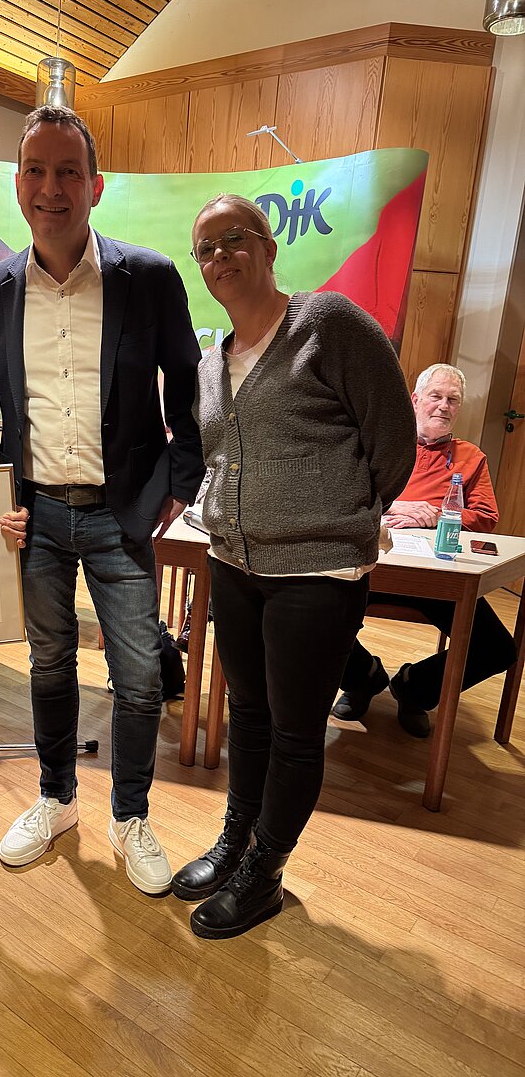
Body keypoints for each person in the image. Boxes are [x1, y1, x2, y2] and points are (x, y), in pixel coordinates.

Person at [0, 105, 204, 895]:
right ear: (18, 185)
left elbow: (188, 382)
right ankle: (56, 798)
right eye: (36, 170)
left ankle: (129, 816)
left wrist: (181, 480)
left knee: (139, 677)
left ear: (95, 186)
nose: (52, 187)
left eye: (69, 171)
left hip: (120, 510)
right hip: (32, 514)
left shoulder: (149, 277)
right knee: (49, 663)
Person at [172, 194, 416, 939]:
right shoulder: (211, 363)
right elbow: (218, 457)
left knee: (295, 730)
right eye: (206, 248)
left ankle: (265, 871)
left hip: (316, 571)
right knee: (247, 715)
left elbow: (393, 437)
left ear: (269, 246)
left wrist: (348, 516)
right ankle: (236, 840)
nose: (220, 256)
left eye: (234, 238)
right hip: (234, 564)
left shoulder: (328, 325)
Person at [333, 363, 517, 737]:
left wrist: (437, 514)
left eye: (453, 400)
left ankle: (414, 688)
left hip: (439, 577)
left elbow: (486, 517)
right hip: (374, 568)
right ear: (415, 400)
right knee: (316, 617)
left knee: (499, 648)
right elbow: (341, 498)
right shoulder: (377, 444)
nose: (443, 406)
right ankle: (363, 677)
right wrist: (394, 506)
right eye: (436, 396)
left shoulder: (471, 457)